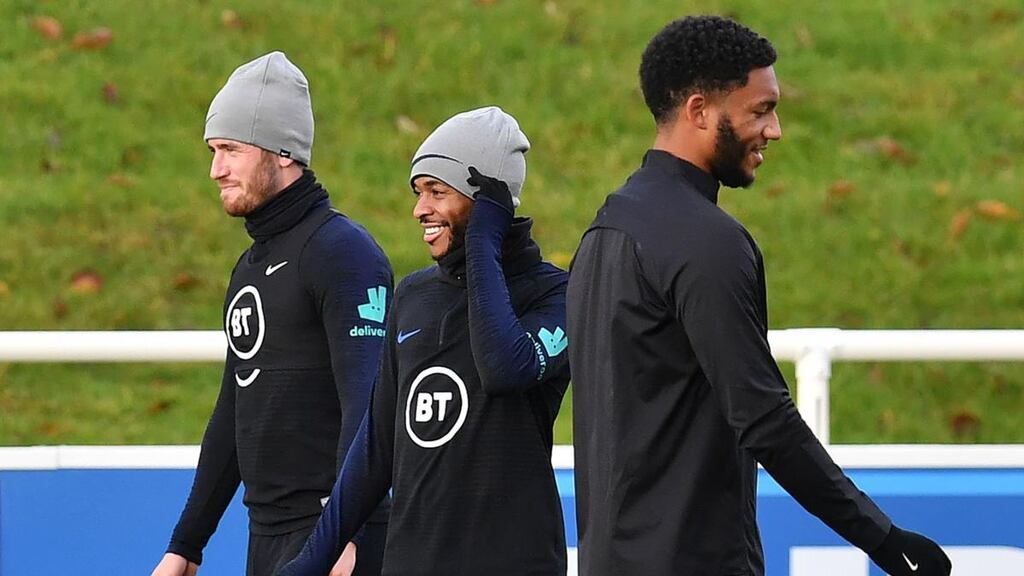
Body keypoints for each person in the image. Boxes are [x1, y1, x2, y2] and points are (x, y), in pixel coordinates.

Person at [567, 15, 952, 576]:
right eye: (761, 109)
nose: (775, 130)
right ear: (698, 110)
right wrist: (883, 539)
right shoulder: (707, 242)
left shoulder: (602, 231)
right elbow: (765, 418)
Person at [278, 106, 570, 576]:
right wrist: (310, 560)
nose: (420, 210)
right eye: (419, 192)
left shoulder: (558, 294)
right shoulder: (414, 295)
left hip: (515, 562)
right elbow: (376, 447)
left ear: (489, 201)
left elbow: (504, 366)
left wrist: (482, 243)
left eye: (437, 191)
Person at [151, 51, 391, 576]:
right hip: (268, 539)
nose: (216, 170)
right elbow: (235, 408)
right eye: (213, 151)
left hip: (332, 540)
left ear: (283, 153)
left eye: (231, 150)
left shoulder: (342, 253)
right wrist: (186, 545)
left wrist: (345, 533)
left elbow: (369, 400)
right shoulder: (250, 267)